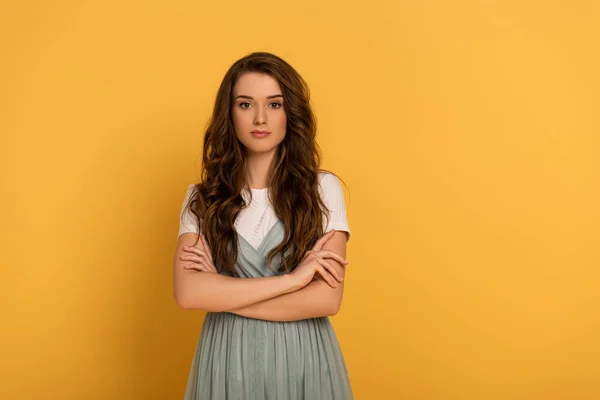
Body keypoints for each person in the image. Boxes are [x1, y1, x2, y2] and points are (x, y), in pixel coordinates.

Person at [173, 51, 353, 399]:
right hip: (226, 360)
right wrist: (292, 281)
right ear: (229, 114)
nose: (259, 118)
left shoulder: (322, 189)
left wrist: (221, 292)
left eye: (274, 104)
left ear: (291, 113)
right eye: (245, 104)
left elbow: (327, 300)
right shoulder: (201, 197)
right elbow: (188, 294)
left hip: (303, 359)